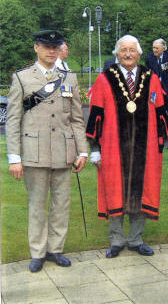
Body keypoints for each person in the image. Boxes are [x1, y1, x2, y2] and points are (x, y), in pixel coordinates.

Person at [6, 30, 88, 272]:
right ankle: (38, 252)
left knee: (61, 205)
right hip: (34, 152)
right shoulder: (21, 78)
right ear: (36, 48)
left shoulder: (69, 78)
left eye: (55, 46)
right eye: (45, 46)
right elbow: (13, 121)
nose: (51, 50)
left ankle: (55, 249)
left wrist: (82, 151)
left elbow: (76, 119)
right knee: (37, 205)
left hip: (64, 152)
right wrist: (14, 158)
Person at [86, 35, 168, 259]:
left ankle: (136, 239)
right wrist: (94, 149)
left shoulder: (150, 77)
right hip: (114, 148)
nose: (127, 54)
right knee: (114, 188)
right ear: (117, 53)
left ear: (139, 53)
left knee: (142, 189)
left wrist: (162, 140)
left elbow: (160, 109)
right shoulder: (105, 78)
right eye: (123, 50)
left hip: (146, 149)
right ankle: (116, 240)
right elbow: (96, 114)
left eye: (132, 50)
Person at [146, 38, 168, 149]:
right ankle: (158, 140)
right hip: (154, 93)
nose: (154, 50)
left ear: (163, 48)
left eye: (156, 48)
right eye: (153, 47)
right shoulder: (149, 58)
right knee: (155, 115)